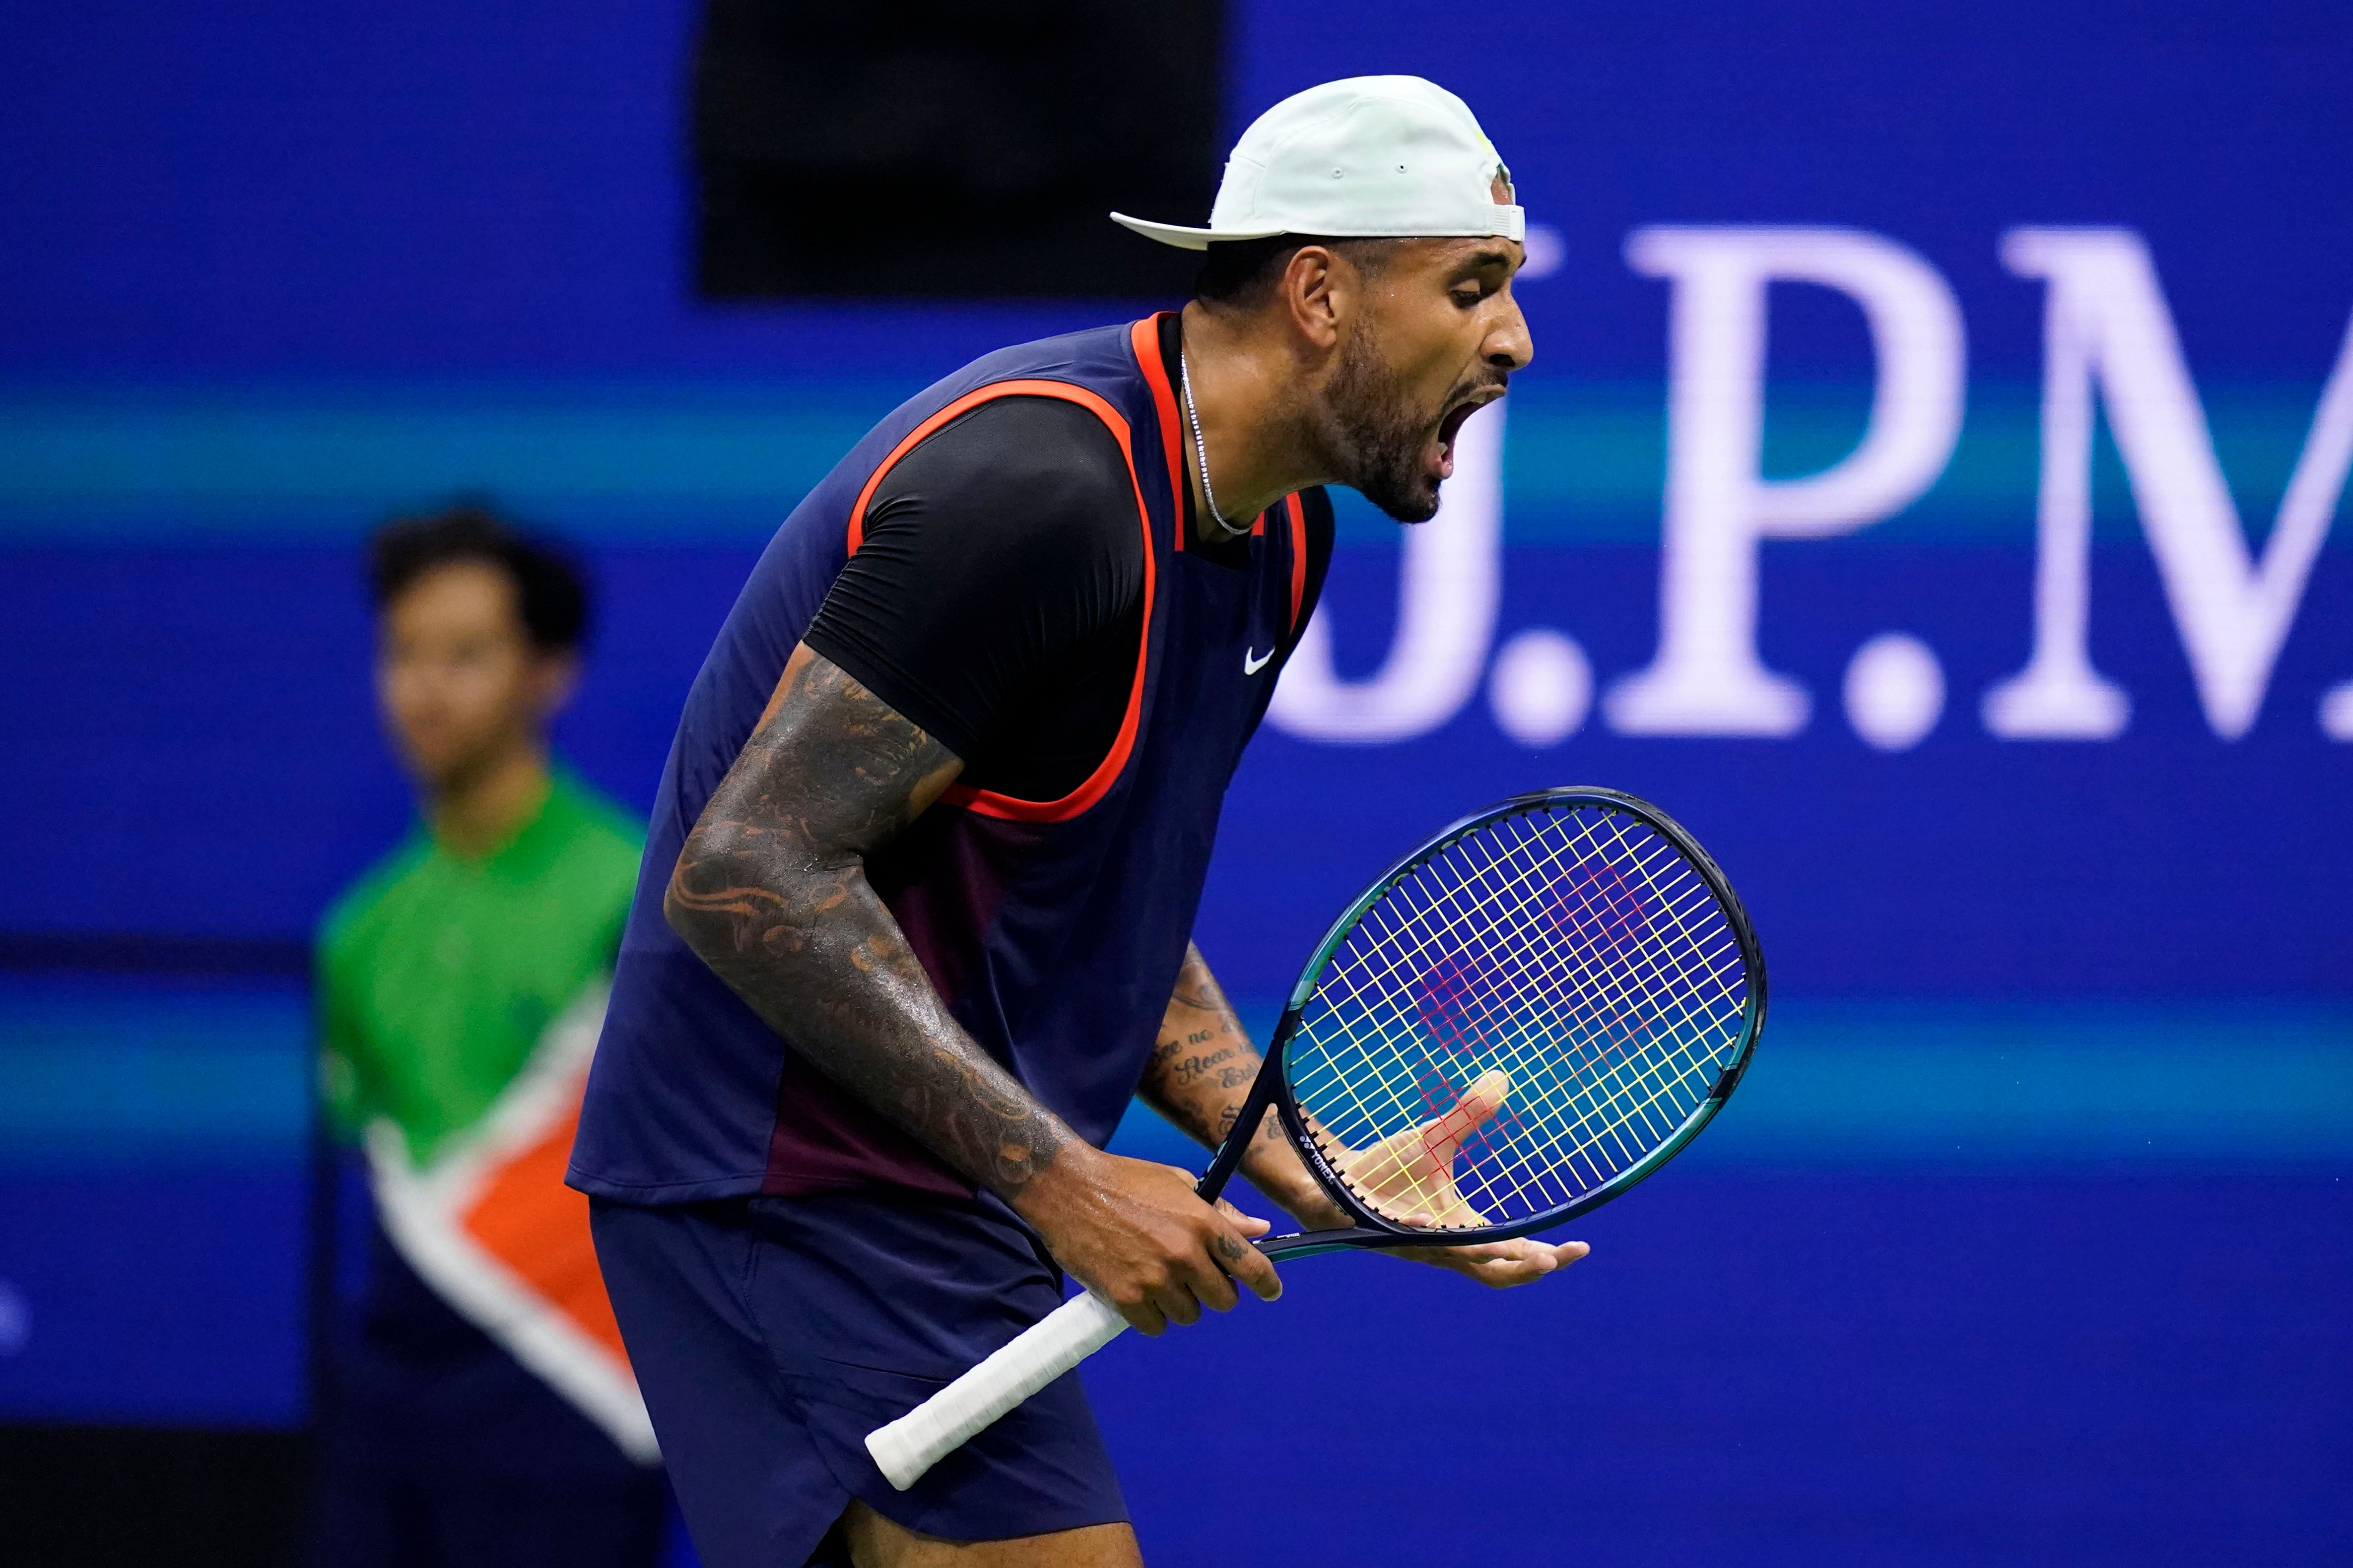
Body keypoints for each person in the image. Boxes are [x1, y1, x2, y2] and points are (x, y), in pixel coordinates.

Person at [570, 76, 1586, 1568]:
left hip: (925, 1185)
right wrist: (1061, 1175)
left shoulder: (1274, 529)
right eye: (1470, 286)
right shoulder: (1038, 492)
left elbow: (1096, 888)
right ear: (1316, 293)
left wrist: (1302, 1159)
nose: (1514, 341)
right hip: (777, 1184)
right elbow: (746, 871)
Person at [310, 506, 667, 1568]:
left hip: (575, 1401)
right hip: (392, 1412)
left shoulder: (638, 897)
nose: (425, 686)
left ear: (549, 670)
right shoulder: (357, 930)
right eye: (403, 652)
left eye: (465, 654)